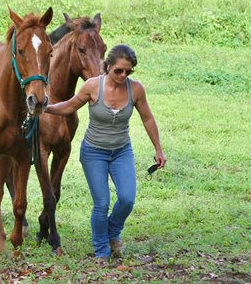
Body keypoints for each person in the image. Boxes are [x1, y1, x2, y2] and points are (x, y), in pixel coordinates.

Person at [44, 44, 166, 262]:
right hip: (94, 153)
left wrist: (158, 148)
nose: (123, 75)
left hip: (121, 151)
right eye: (118, 70)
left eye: (128, 72)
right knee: (101, 203)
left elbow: (147, 118)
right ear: (107, 66)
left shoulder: (135, 89)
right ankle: (102, 251)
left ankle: (112, 232)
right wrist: (45, 108)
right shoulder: (93, 86)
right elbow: (70, 106)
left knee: (127, 199)